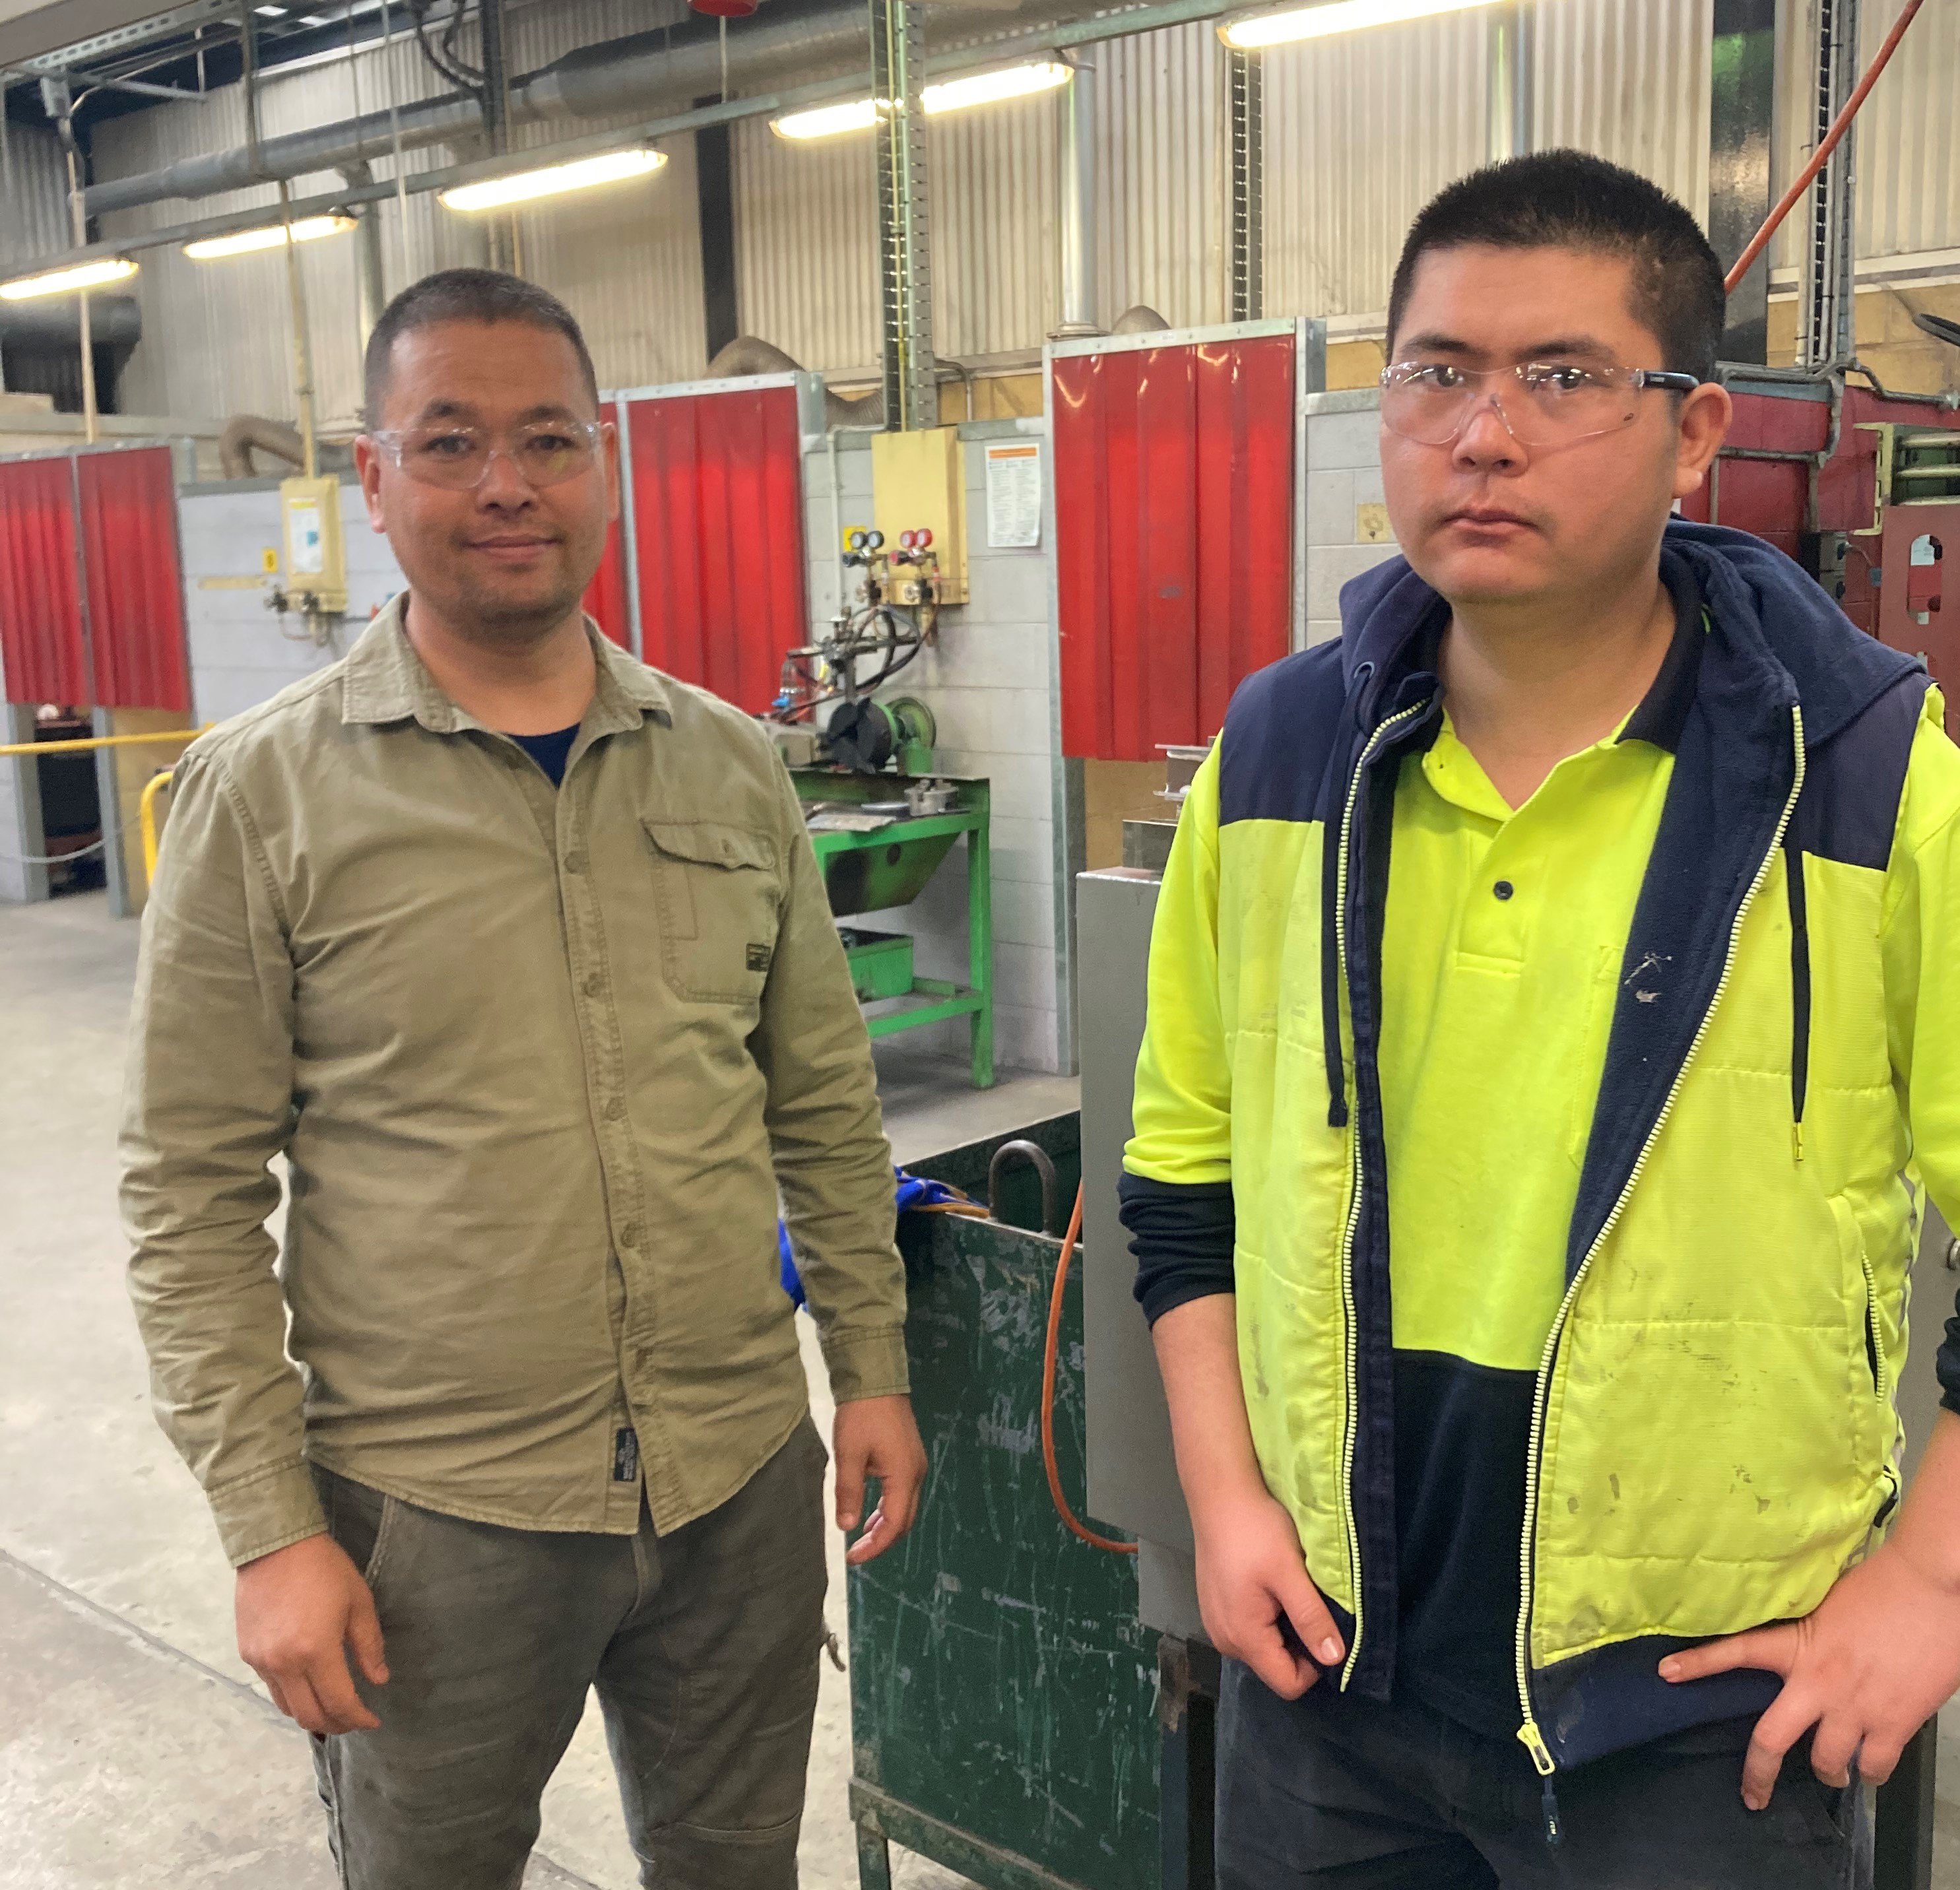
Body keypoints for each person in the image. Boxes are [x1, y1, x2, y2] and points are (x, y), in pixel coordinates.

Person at [1121, 150, 1960, 1887]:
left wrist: (1929, 1583)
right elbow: (1178, 1184)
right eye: (1434, 373)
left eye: (1563, 377)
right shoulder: (1276, 762)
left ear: (1697, 428)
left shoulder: (1869, 782)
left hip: (1695, 1714)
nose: (1481, 435)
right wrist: (1219, 1501)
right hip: (1327, 1674)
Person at [120, 268, 927, 1890]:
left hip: (735, 1477)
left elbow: (823, 1104)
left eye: (549, 440)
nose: (507, 484)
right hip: (436, 1517)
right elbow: (187, 1197)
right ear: (372, 476)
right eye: (450, 441)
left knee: (735, 1867)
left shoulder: (727, 761)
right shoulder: (260, 797)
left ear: (605, 462)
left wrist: (872, 1361)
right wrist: (275, 1529)